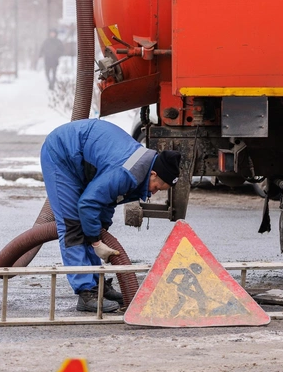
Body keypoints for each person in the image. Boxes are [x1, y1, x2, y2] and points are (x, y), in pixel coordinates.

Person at [41, 119, 181, 312]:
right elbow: (89, 203)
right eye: (157, 187)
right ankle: (86, 292)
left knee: (90, 225)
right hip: (61, 154)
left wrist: (101, 229)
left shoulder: (139, 170)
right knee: (73, 224)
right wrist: (97, 242)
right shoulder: (126, 172)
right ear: (154, 174)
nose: (154, 193)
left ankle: (97, 285)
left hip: (80, 156)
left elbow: (107, 199)